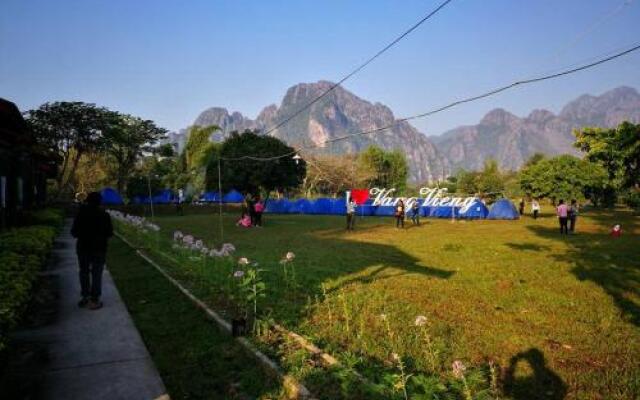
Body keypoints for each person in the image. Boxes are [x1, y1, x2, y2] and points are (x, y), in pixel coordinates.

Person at [71, 192, 113, 310]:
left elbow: (74, 232)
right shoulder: (104, 215)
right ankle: (95, 298)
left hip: (83, 247)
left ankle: (85, 296)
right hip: (99, 248)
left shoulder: (81, 214)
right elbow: (109, 233)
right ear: (100, 202)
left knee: (84, 272)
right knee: (97, 273)